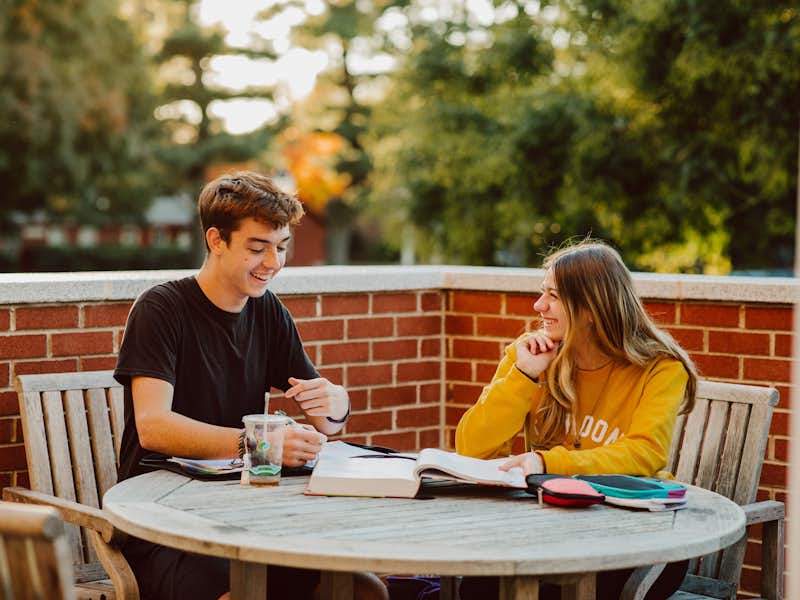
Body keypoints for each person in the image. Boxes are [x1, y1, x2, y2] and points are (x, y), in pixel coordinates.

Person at [114, 171, 387, 600]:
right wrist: (260, 445)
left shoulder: (267, 311)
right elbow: (154, 427)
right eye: (257, 248)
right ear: (216, 240)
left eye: (281, 248)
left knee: (362, 590)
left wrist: (337, 400)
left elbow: (326, 421)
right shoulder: (161, 309)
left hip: (247, 518)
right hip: (165, 524)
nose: (273, 263)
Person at [455, 239, 698, 600]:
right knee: (480, 586)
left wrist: (550, 463)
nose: (539, 306)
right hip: (550, 529)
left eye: (552, 296)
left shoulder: (658, 369)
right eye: (542, 293)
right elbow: (470, 447)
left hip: (638, 538)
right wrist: (523, 377)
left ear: (590, 307)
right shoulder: (532, 355)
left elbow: (646, 452)